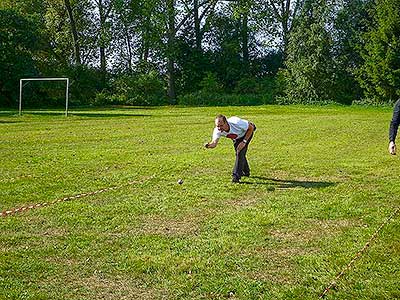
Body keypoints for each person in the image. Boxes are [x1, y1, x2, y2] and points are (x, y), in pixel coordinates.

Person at [204, 114, 256, 183]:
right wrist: (209, 145)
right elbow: (214, 143)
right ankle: (246, 172)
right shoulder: (217, 130)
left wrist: (244, 142)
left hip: (247, 132)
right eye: (217, 126)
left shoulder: (236, 123)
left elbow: (251, 128)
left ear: (226, 123)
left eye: (221, 125)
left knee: (240, 152)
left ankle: (236, 177)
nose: (219, 128)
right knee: (239, 153)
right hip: (237, 137)